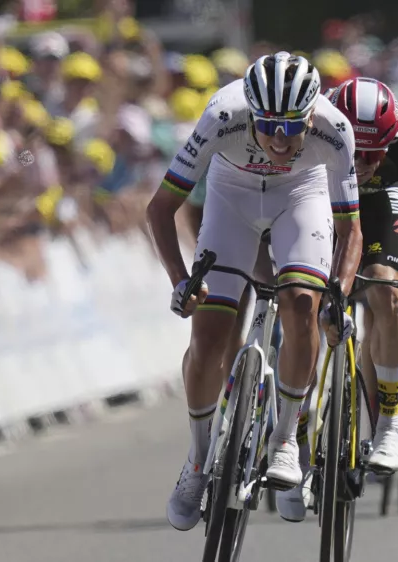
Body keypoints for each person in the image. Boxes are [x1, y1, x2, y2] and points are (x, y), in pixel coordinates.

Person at [145, 52, 363, 532]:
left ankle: (286, 437)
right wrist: (180, 281)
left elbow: (352, 231)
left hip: (300, 197)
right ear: (251, 114)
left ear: (312, 114)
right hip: (232, 197)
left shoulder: (335, 129)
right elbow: (160, 209)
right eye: (269, 127)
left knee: (301, 304)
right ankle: (199, 459)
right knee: (208, 338)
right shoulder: (222, 115)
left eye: (292, 127)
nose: (281, 141)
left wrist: (339, 294)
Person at [328, 77, 398, 463]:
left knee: (386, 288)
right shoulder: (317, 128)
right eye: (353, 152)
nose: (361, 163)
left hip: (381, 203)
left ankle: (390, 424)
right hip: (323, 198)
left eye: (372, 155)